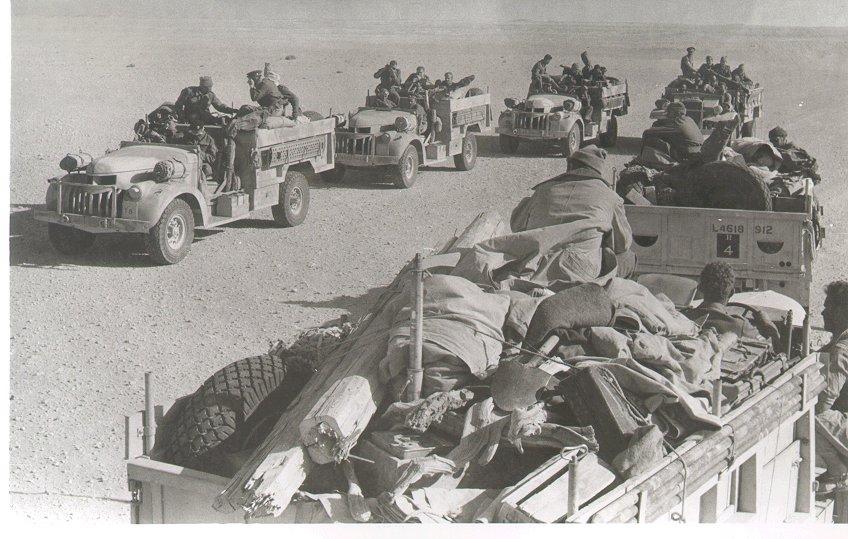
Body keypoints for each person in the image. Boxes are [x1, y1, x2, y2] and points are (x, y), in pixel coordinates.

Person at [510, 145, 635, 279]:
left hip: (535, 265)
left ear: (569, 166)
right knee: (628, 258)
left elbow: (516, 226)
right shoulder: (610, 197)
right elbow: (623, 244)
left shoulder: (543, 190)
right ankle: (606, 291)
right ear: (598, 170)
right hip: (580, 271)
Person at [683, 262, 781, 346]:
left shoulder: (682, 317)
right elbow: (768, 348)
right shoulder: (740, 326)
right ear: (731, 293)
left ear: (700, 288)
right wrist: (770, 326)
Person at [814, 281, 848, 490]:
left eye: (828, 307)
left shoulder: (841, 350)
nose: (823, 312)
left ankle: (839, 472)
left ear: (842, 311)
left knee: (810, 415)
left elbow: (822, 404)